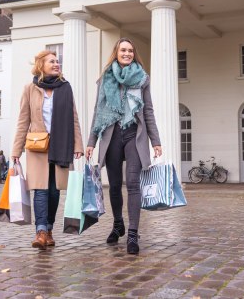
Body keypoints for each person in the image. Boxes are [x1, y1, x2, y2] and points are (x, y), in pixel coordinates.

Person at [85, 38, 162, 255]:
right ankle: (118, 224)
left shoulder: (143, 79)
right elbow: (97, 112)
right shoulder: (105, 79)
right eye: (123, 50)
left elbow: (148, 112)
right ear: (116, 53)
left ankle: (133, 233)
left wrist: (155, 141)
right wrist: (91, 142)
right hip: (111, 135)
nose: (127, 53)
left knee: (133, 183)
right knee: (115, 184)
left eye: (130, 50)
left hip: (134, 135)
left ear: (133, 53)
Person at [12, 50, 84, 249]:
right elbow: (23, 121)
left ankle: (49, 228)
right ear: (41, 65)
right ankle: (41, 231)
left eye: (57, 61)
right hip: (37, 146)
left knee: (54, 191)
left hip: (61, 145)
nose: (56, 64)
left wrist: (78, 145)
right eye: (51, 61)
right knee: (41, 190)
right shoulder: (30, 89)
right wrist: (16, 151)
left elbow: (74, 119)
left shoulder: (65, 88)